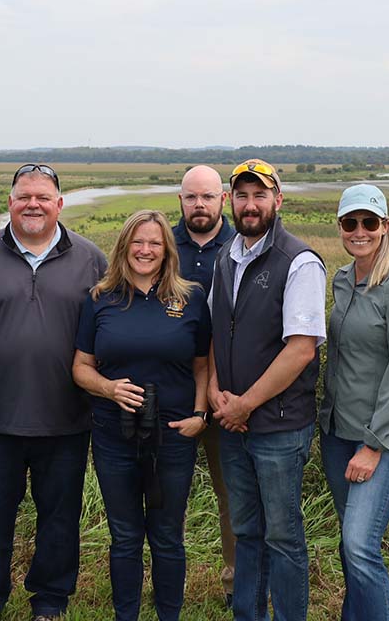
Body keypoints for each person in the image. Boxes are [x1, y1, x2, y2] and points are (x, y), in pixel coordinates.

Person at [0, 163, 107, 621]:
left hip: (67, 419)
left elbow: (107, 331)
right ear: (10, 203)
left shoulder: (91, 259)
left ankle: (50, 603)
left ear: (59, 204)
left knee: (59, 519)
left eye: (42, 197)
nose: (32, 204)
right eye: (23, 197)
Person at [72, 209, 212, 621]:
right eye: (138, 241)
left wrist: (200, 414)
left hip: (173, 435)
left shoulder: (191, 297)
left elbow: (204, 364)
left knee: (168, 536)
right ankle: (126, 614)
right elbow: (80, 366)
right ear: (124, 247)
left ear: (167, 249)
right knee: (126, 536)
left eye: (154, 242)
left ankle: (169, 613)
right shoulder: (101, 298)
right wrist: (108, 388)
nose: (145, 250)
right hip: (114, 436)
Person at [207, 158, 327, 621]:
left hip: (278, 427)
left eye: (260, 195)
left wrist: (245, 405)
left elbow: (300, 351)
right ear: (229, 201)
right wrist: (217, 391)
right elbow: (219, 331)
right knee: (246, 531)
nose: (250, 204)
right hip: (234, 425)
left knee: (283, 535)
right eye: (242, 195)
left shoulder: (299, 262)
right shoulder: (225, 257)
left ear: (278, 200)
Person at [318, 185, 389, 621]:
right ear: (341, 227)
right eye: (350, 223)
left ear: (385, 227)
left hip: (385, 436)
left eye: (369, 223)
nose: (359, 231)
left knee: (360, 546)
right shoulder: (342, 281)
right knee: (351, 546)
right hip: (337, 432)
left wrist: (374, 444)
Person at [173, 165, 237, 608]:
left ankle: (235, 582)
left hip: (224, 392)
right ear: (180, 200)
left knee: (230, 493)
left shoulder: (239, 246)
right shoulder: (161, 244)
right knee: (165, 492)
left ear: (224, 199)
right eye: (192, 197)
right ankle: (166, 577)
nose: (199, 204)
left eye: (208, 197)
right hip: (170, 388)